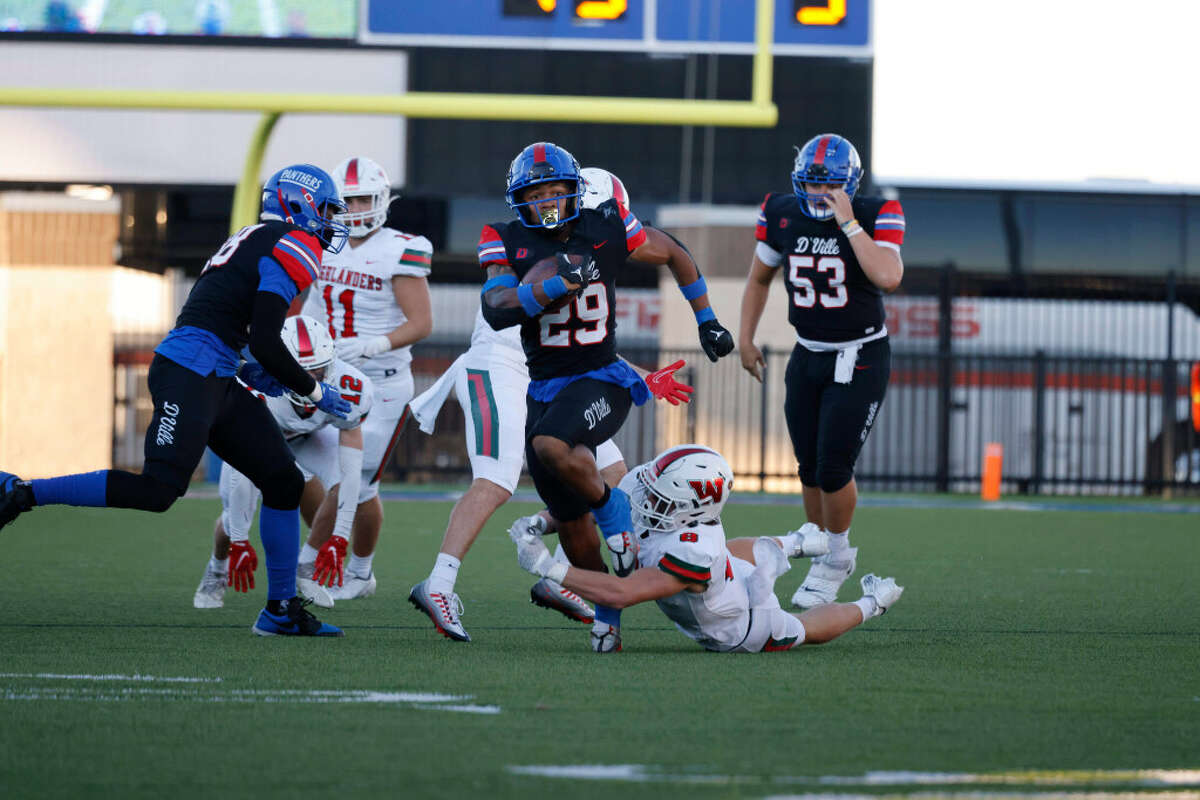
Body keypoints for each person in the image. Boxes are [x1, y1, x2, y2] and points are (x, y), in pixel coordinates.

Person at [0, 164, 352, 636]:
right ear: (299, 203)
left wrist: (249, 368)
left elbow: (222, 315)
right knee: (159, 490)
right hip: (191, 371)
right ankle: (21, 492)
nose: (330, 221)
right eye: (327, 209)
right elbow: (267, 338)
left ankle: (281, 610)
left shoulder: (257, 238)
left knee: (284, 481)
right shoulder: (294, 244)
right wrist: (313, 390)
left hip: (213, 370)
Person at [407, 166, 692, 643]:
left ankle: (559, 572)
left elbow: (584, 339)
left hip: (558, 375)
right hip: (500, 362)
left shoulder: (590, 242)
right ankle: (438, 584)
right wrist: (550, 285)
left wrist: (642, 377)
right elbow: (503, 305)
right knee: (497, 479)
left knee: (613, 471)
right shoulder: (524, 241)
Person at [474, 142, 734, 652]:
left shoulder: (608, 227)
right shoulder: (504, 238)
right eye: (536, 193)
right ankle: (607, 616)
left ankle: (614, 507)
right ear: (517, 200)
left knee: (552, 446)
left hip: (602, 375)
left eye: (557, 191)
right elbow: (497, 308)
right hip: (545, 384)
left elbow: (676, 252)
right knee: (572, 525)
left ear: (577, 193)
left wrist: (707, 319)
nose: (548, 202)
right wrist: (550, 289)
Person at [509, 444, 904, 653]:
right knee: (732, 555)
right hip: (722, 569)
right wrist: (543, 522)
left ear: (691, 510)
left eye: (659, 500)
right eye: (649, 489)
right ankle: (798, 542)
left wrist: (547, 566)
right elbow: (600, 506)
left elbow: (623, 592)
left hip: (739, 626)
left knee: (804, 629)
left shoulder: (694, 547)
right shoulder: (657, 496)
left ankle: (872, 603)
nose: (644, 500)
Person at [738, 133, 905, 609]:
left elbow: (889, 277)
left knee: (834, 468)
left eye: (830, 184)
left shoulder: (877, 212)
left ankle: (837, 556)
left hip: (860, 353)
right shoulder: (780, 211)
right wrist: (746, 337)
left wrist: (849, 224)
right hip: (808, 351)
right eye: (812, 183)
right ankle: (822, 550)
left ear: (850, 184)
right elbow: (758, 279)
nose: (819, 193)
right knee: (808, 468)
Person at [299, 156, 433, 600]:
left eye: (362, 199)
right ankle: (357, 571)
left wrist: (373, 345)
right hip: (329, 373)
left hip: (380, 381)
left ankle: (313, 568)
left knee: (354, 480)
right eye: (347, 200)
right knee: (306, 472)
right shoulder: (321, 243)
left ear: (382, 201)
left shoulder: (402, 247)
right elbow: (309, 312)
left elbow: (421, 323)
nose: (355, 209)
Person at [193, 315, 373, 611]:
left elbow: (352, 469)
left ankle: (306, 565)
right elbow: (242, 472)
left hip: (307, 438)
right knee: (233, 515)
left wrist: (340, 538)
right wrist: (240, 539)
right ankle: (217, 566)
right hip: (260, 440)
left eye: (319, 371)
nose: (312, 381)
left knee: (347, 483)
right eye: (303, 372)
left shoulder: (352, 386)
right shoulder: (259, 387)